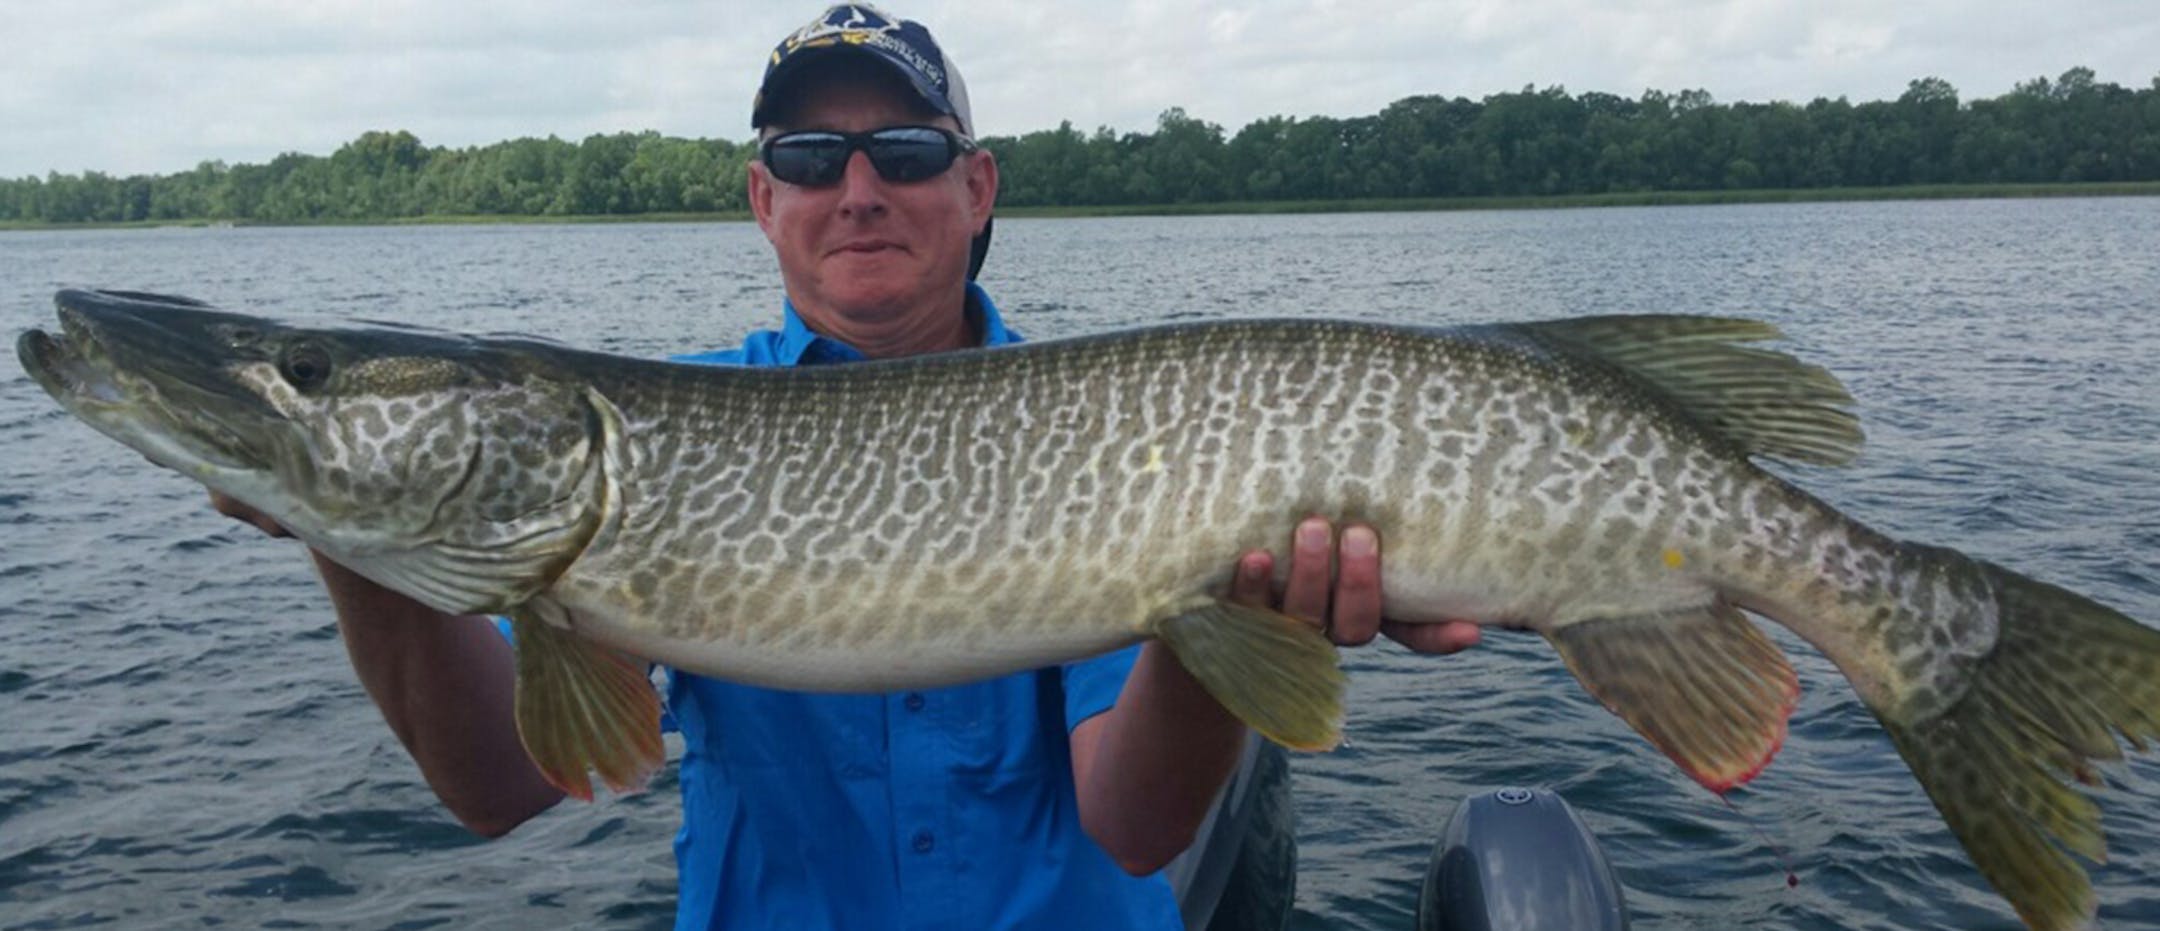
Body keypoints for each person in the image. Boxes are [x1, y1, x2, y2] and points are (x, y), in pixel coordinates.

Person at [213, 5, 1481, 929]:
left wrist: (1248, 616)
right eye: (812, 160)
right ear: (765, 201)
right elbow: (499, 789)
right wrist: (351, 530)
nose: (858, 190)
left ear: (977, 188)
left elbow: (1137, 827)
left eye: (908, 154)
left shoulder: (1124, 434)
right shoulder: (658, 435)